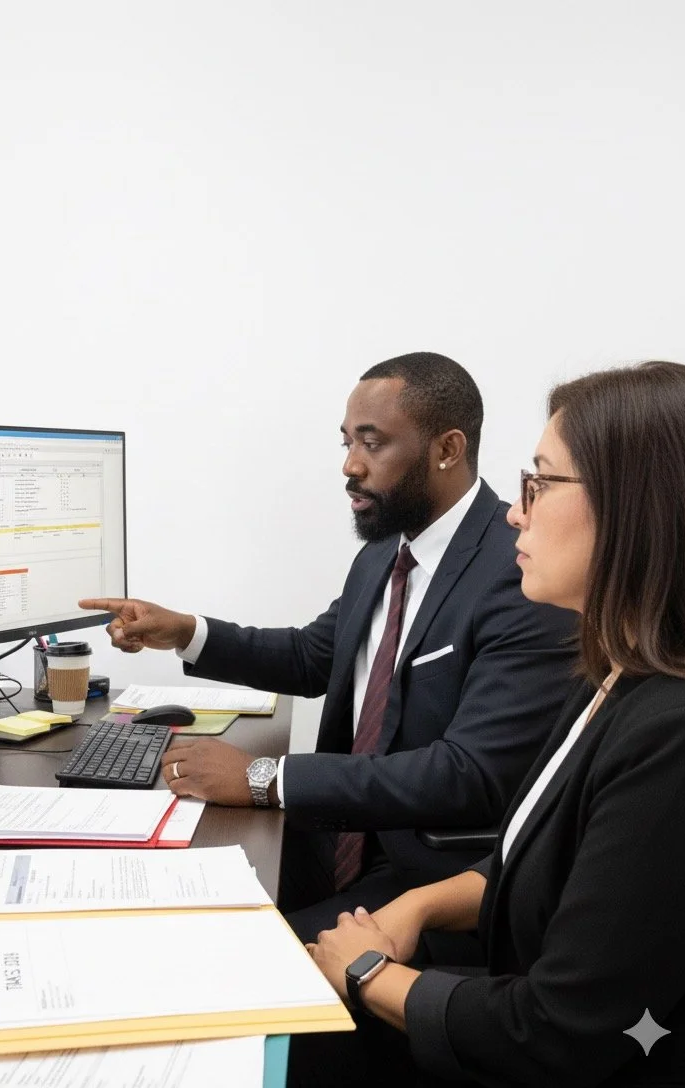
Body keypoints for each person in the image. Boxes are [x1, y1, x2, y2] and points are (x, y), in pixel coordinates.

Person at [80, 352, 576, 944]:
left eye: (372, 444)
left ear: (447, 449)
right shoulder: (386, 550)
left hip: (419, 872)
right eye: (347, 442)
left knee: (215, 950)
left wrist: (268, 777)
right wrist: (185, 630)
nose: (350, 465)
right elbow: (315, 655)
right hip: (333, 835)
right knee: (147, 904)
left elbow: (467, 774)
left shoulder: (520, 570)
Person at [299, 360, 685, 1087]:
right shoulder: (614, 678)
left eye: (541, 483)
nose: (516, 511)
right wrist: (419, 903)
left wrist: (362, 970)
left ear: (637, 506)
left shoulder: (680, 734)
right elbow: (551, 866)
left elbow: (556, 1034)